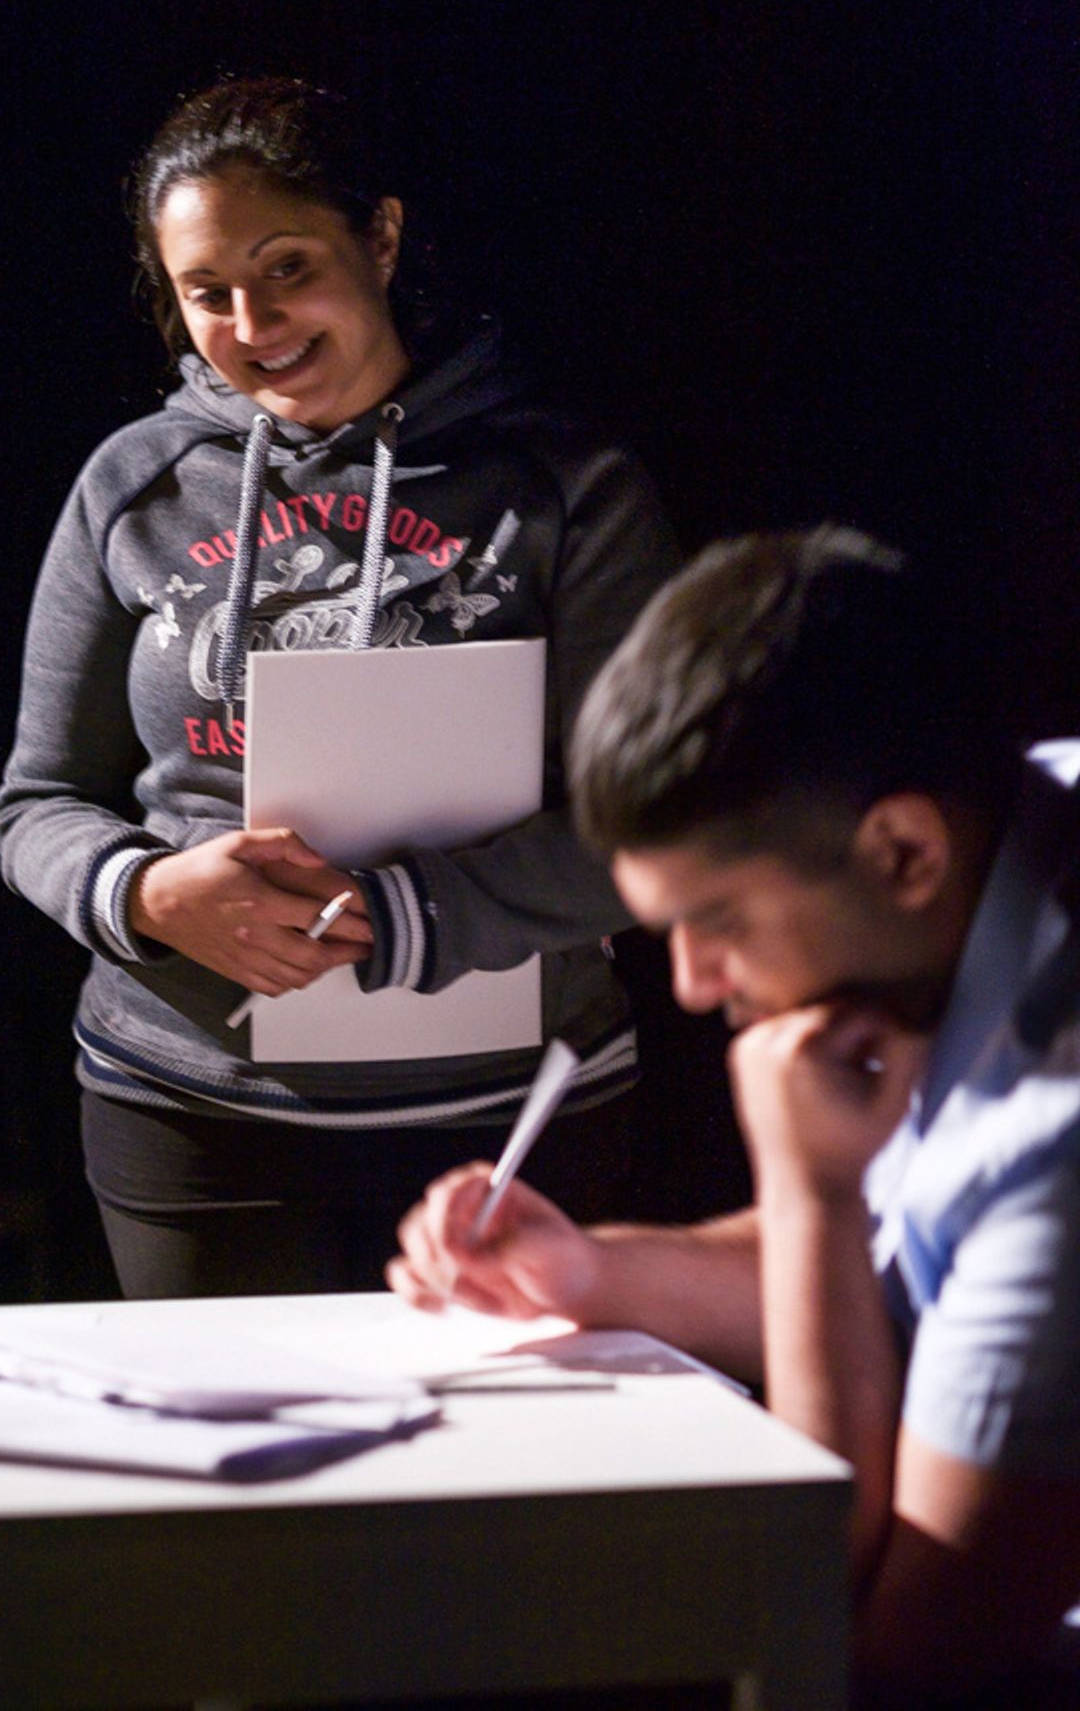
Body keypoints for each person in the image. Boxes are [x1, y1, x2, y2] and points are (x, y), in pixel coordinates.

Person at [0, 75, 680, 1299]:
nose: (252, 322)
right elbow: (36, 803)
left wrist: (402, 916)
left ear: (383, 237)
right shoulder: (133, 484)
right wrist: (145, 891)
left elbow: (650, 832)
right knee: (228, 1487)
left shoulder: (564, 484)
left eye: (289, 267)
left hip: (507, 1121)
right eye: (209, 293)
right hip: (189, 1116)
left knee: (493, 1486)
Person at [388, 526, 1080, 1709]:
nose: (698, 985)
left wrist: (807, 1191)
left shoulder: (1058, 1138)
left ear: (904, 850)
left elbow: (869, 1647)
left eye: (718, 922)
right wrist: (594, 1272)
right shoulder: (1010, 829)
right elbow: (914, 1274)